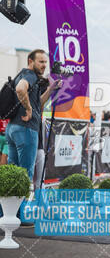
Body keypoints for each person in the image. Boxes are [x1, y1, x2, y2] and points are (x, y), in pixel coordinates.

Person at [5, 49, 62, 182]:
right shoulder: (30, 75)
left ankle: (9, 202)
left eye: (45, 62)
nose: (44, 65)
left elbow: (39, 104)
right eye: (41, 61)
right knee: (25, 174)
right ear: (30, 61)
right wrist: (28, 109)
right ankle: (24, 203)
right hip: (26, 129)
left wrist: (50, 89)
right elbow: (20, 89)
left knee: (13, 173)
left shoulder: (24, 75)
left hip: (13, 128)